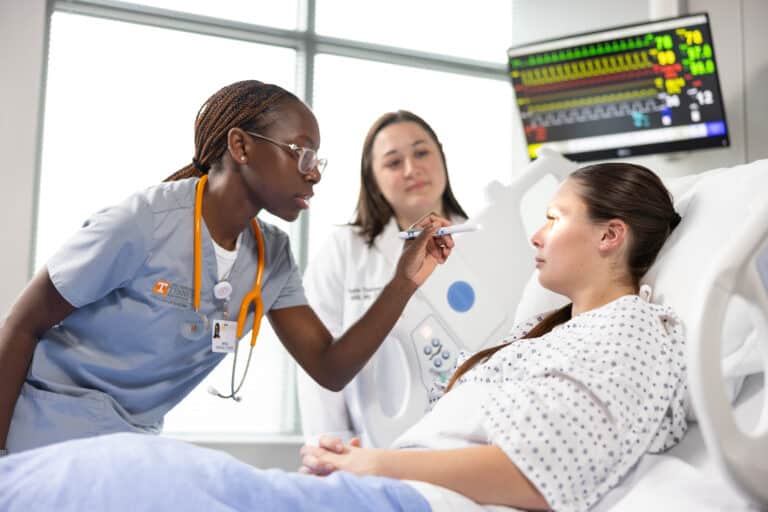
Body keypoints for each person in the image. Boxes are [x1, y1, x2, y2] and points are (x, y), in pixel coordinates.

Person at [0, 80, 455, 456]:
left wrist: (404, 281)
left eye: (316, 159)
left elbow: (329, 367)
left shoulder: (270, 254)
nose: (313, 173)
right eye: (302, 152)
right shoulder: (142, 222)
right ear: (240, 145)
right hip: (42, 433)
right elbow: (21, 326)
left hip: (129, 446)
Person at [298, 162, 687, 511]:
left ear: (610, 236)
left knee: (238, 486)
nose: (536, 236)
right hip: (403, 488)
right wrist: (361, 463)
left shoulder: (632, 331)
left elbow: (544, 472)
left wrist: (374, 466)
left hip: (423, 498)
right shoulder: (541, 331)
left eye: (554, 218)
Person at [297, 110, 468, 447]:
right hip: (370, 448)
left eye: (421, 153)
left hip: (468, 449)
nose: (411, 169)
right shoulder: (343, 251)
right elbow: (318, 362)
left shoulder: (484, 241)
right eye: (393, 162)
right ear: (372, 178)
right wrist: (331, 444)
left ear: (442, 158)